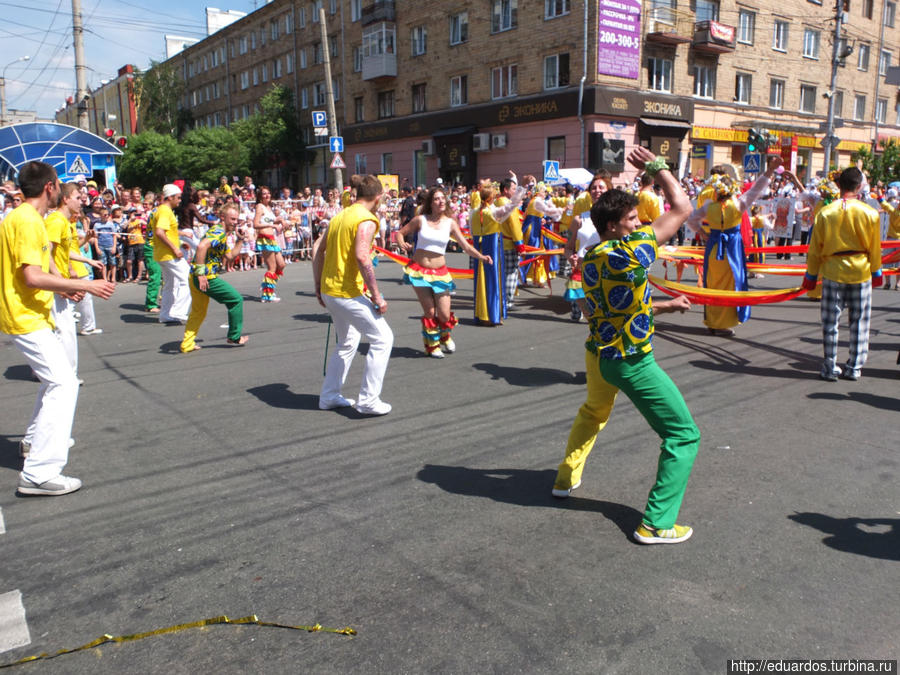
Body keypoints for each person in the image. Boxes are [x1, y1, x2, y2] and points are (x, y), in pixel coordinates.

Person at [551, 147, 700, 545]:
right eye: (633, 218)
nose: (640, 223)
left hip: (599, 353)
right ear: (615, 226)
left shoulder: (592, 257)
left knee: (592, 412)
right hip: (632, 360)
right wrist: (658, 168)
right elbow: (682, 206)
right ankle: (655, 523)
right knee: (683, 436)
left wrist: (666, 305)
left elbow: (616, 304)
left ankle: (565, 478)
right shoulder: (631, 250)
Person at [0, 161, 115, 496]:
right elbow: (32, 276)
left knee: (56, 381)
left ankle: (34, 443)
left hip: (29, 313)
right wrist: (87, 286)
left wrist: (65, 286)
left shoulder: (22, 217)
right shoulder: (28, 220)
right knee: (64, 384)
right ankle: (39, 473)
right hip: (25, 315)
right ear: (49, 187)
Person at [313, 174, 393, 416]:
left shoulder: (340, 215)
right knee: (383, 338)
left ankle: (329, 396)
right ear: (378, 197)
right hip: (346, 292)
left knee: (347, 342)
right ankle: (368, 400)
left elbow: (318, 249)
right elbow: (362, 256)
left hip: (331, 290)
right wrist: (377, 296)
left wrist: (318, 285)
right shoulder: (367, 219)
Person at [687, 156, 783, 336]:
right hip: (732, 249)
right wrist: (769, 170)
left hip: (714, 247)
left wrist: (704, 234)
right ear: (732, 189)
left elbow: (691, 220)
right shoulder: (739, 204)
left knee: (713, 283)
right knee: (730, 285)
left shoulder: (709, 206)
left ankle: (713, 321)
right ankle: (722, 324)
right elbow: (757, 189)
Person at [802, 167, 883, 381]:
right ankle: (854, 366)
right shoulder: (870, 213)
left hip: (832, 271)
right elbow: (875, 248)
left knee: (830, 322)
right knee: (859, 322)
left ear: (839, 185)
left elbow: (815, 249)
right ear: (858, 187)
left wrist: (810, 276)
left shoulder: (825, 213)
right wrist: (877, 271)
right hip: (861, 270)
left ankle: (830, 366)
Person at [397, 186, 492, 357]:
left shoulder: (450, 223)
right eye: (436, 199)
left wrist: (482, 257)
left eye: (443, 198)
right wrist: (401, 242)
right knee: (430, 312)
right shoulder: (420, 220)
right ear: (430, 203)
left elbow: (466, 246)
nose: (441, 201)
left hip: (440, 272)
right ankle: (432, 346)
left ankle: (444, 335)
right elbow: (400, 233)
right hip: (419, 271)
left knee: (444, 313)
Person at [44, 182, 104, 378]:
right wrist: (61, 282)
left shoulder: (63, 221)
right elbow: (47, 254)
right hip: (55, 285)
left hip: (59, 284)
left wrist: (87, 259)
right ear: (65, 198)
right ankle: (64, 376)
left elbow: (65, 251)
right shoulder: (56, 221)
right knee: (64, 332)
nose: (82, 201)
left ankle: (60, 373)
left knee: (63, 330)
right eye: (78, 198)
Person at [181, 203, 249, 352]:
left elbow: (230, 256)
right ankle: (234, 336)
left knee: (198, 312)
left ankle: (187, 344)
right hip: (205, 277)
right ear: (222, 218)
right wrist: (201, 274)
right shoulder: (218, 232)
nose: (235, 222)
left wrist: (240, 240)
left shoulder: (221, 234)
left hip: (195, 276)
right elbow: (201, 246)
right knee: (236, 299)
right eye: (232, 219)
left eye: (236, 219)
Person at [469, 175, 526, 326]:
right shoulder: (492, 212)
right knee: (493, 280)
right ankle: (491, 315)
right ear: (491, 198)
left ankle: (482, 314)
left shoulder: (474, 213)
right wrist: (522, 188)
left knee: (480, 280)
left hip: (478, 247)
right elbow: (511, 207)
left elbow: (472, 230)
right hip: (492, 248)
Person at [152, 184, 192, 324]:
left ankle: (165, 315)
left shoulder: (163, 210)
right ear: (170, 197)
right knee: (188, 278)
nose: (180, 200)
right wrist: (175, 249)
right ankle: (179, 311)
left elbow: (168, 232)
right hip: (169, 254)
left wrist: (180, 242)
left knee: (170, 284)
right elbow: (159, 232)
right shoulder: (165, 211)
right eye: (178, 198)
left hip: (163, 254)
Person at [254, 186, 287, 303]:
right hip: (264, 239)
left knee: (281, 265)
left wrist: (281, 221)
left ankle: (267, 285)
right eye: (264, 194)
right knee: (272, 268)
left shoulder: (268, 207)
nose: (267, 195)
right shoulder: (260, 206)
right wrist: (272, 226)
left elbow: (270, 220)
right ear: (260, 196)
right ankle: (267, 294)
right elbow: (256, 224)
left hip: (272, 239)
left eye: (268, 193)